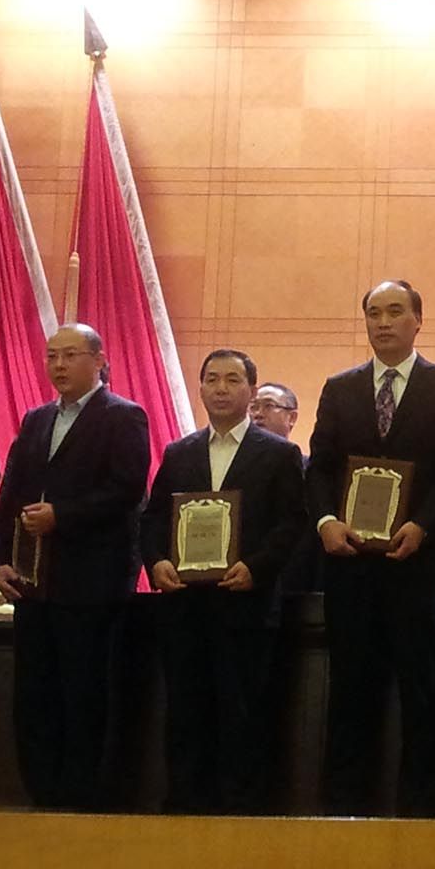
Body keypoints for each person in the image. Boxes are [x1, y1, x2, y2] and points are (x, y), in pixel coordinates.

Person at [305, 280, 435, 816]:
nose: (383, 322)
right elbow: (320, 468)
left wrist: (424, 525)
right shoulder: (340, 388)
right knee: (349, 690)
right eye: (374, 313)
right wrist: (326, 522)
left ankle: (420, 813)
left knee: (420, 692)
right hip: (349, 565)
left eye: (395, 311)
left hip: (413, 565)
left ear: (418, 320)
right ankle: (343, 810)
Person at [0, 324, 149, 810]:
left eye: (70, 355)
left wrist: (64, 515)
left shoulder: (123, 416)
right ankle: (41, 791)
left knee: (83, 689)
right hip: (33, 581)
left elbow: (127, 490)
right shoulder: (37, 419)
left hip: (91, 579)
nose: (58, 365)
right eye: (51, 356)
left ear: (99, 360)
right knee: (34, 690)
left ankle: (81, 796)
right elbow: (10, 493)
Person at [140, 349, 306, 814]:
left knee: (242, 711)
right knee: (185, 711)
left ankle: (240, 808)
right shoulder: (179, 452)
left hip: (245, 605)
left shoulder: (280, 454)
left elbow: (292, 523)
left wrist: (257, 567)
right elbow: (152, 520)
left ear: (251, 391)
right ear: (200, 389)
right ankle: (184, 805)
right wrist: (156, 562)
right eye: (212, 379)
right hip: (185, 607)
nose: (220, 389)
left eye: (232, 380)